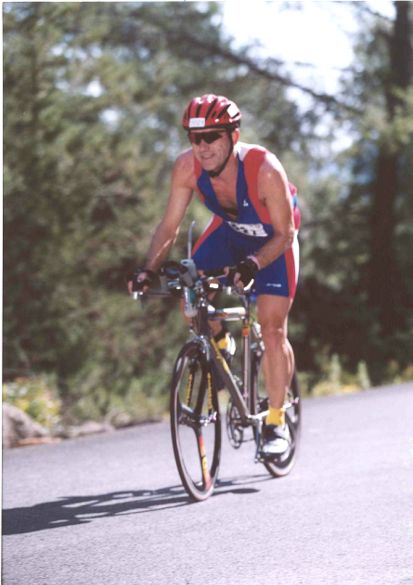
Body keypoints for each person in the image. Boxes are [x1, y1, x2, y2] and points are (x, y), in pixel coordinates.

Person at [129, 94, 300, 457]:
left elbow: (286, 234)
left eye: (211, 137)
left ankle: (276, 421)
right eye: (195, 138)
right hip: (229, 233)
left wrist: (253, 264)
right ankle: (220, 346)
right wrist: (147, 271)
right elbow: (169, 226)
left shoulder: (265, 169)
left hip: (274, 241)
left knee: (272, 328)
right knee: (189, 295)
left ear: (233, 137)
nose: (202, 147)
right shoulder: (186, 167)